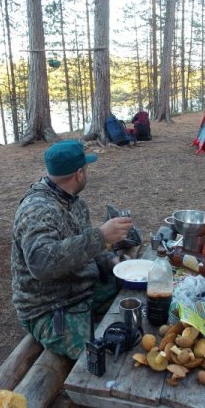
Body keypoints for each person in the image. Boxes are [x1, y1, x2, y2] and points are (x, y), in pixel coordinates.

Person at [11, 139, 133, 360]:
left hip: (82, 287)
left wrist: (112, 262)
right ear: (79, 173)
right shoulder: (37, 210)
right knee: (102, 354)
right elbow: (41, 264)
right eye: (86, 168)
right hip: (50, 307)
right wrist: (101, 236)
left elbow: (85, 248)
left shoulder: (74, 203)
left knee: (136, 300)